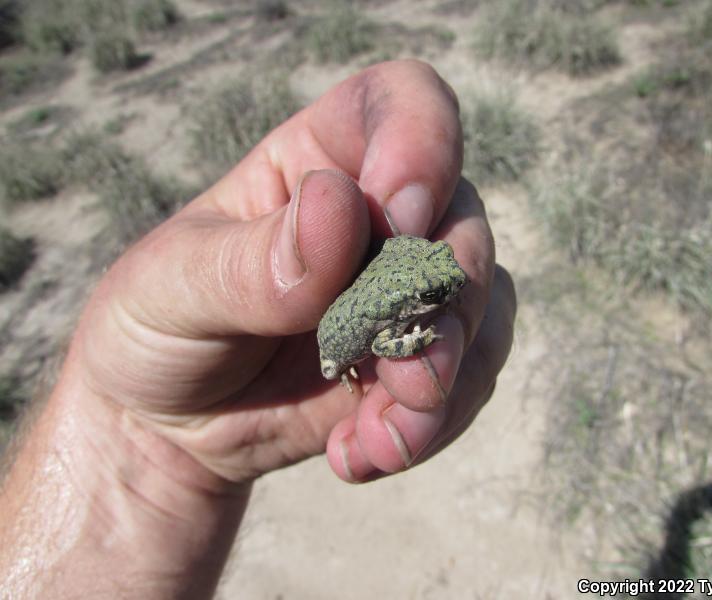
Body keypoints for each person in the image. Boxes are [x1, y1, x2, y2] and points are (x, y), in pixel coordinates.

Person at [0, 60, 516, 598]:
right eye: (435, 290)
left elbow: (403, 261)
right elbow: (386, 339)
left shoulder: (407, 266)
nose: (447, 283)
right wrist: (418, 337)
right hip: (334, 346)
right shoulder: (394, 298)